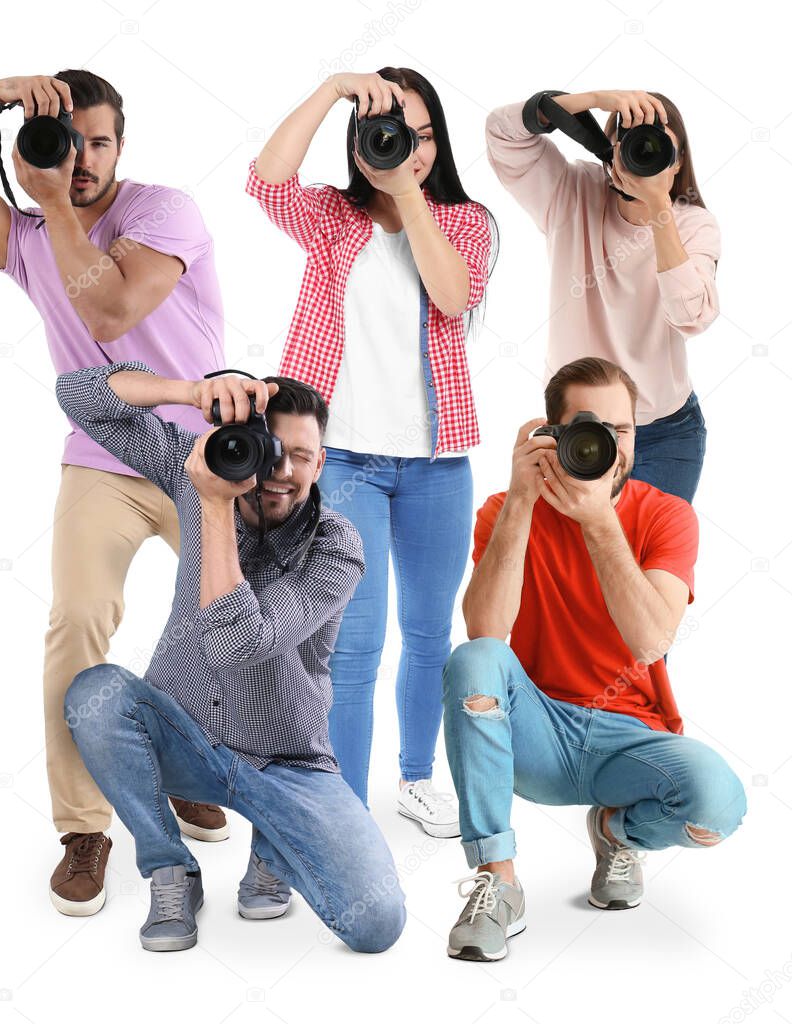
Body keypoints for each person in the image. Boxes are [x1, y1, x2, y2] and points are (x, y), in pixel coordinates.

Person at [0, 69, 229, 916]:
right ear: (29, 149)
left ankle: (183, 764)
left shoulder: (164, 211)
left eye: (99, 141)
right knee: (78, 618)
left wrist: (52, 208)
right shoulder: (22, 237)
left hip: (202, 452)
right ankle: (85, 828)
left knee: (228, 621)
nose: (80, 159)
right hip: (103, 452)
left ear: (123, 146)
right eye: (63, 142)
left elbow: (114, 312)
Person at [54, 361, 406, 954]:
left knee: (377, 925)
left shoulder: (336, 544)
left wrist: (214, 508)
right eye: (270, 452)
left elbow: (236, 645)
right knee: (95, 693)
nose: (282, 472)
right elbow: (79, 395)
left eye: (302, 455)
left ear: (321, 463)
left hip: (288, 765)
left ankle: (273, 842)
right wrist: (188, 392)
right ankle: (170, 870)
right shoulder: (196, 473)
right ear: (240, 444)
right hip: (184, 742)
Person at [245, 67, 497, 834]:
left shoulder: (464, 220)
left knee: (428, 634)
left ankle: (417, 779)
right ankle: (343, 809)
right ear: (358, 143)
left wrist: (407, 189)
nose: (404, 149)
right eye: (388, 135)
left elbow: (454, 295)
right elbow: (265, 177)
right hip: (343, 457)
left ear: (437, 142)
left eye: (420, 136)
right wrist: (329, 91)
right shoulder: (328, 218)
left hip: (436, 462)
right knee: (351, 646)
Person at [443, 356, 746, 962]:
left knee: (718, 806)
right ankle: (497, 881)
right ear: (552, 434)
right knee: (471, 658)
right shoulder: (505, 510)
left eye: (622, 429)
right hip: (535, 735)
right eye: (588, 426)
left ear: (634, 434)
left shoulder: (665, 514)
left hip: (629, 742)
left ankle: (615, 832)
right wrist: (524, 503)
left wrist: (598, 520)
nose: (606, 442)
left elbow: (652, 639)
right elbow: (486, 629)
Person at [486, 89, 719, 503]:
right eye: (631, 141)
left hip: (664, 432)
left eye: (656, 144)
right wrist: (596, 100)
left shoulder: (693, 224)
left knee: (650, 564)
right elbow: (502, 133)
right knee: (582, 561)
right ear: (610, 152)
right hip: (580, 421)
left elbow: (692, 316)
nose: (642, 152)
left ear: (677, 160)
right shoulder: (572, 191)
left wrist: (659, 208)